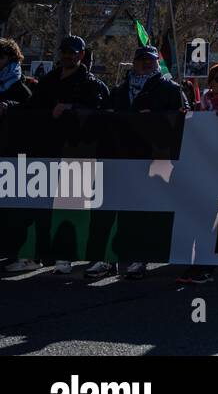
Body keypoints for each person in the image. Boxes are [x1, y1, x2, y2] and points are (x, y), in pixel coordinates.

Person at [7, 35, 109, 275]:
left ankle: (66, 256)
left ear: (82, 55)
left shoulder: (90, 82)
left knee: (71, 208)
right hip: (46, 152)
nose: (68, 55)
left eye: (73, 52)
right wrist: (10, 106)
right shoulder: (50, 79)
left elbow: (102, 111)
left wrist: (71, 108)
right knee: (41, 206)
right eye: (64, 51)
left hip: (77, 155)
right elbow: (31, 106)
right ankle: (38, 255)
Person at [88, 45, 186, 281]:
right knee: (110, 210)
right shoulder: (120, 90)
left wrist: (155, 120)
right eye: (141, 60)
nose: (145, 64)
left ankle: (139, 258)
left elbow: (184, 117)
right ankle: (107, 259)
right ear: (133, 62)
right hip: (118, 158)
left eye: (150, 60)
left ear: (156, 63)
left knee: (142, 212)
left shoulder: (170, 89)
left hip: (151, 161)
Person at [0, 37, 33, 113]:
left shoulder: (22, 90)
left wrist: (9, 107)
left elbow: (29, 110)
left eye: (0, 57)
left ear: (11, 59)